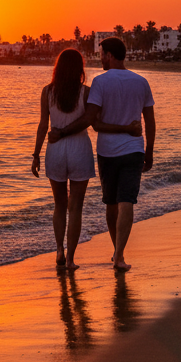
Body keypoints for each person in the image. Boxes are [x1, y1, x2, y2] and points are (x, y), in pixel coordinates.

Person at [50, 37, 154, 271]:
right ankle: (118, 255)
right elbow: (150, 120)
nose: (100, 58)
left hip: (107, 151)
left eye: (102, 54)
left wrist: (60, 132)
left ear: (109, 55)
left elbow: (92, 122)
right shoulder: (141, 81)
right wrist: (149, 150)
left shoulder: (100, 82)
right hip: (134, 149)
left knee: (111, 203)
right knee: (127, 200)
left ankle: (116, 251)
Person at [32, 49, 140, 270]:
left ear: (58, 67)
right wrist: (127, 128)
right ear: (79, 69)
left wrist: (36, 154)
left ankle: (59, 251)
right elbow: (94, 122)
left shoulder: (47, 92)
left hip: (55, 149)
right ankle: (71, 259)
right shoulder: (85, 93)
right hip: (79, 148)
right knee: (76, 207)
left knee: (59, 205)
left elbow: (43, 125)